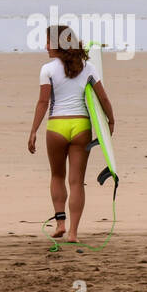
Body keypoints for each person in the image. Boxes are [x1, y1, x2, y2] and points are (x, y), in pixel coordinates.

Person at [27, 24, 115, 243]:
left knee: (57, 176)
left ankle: (60, 224)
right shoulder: (87, 68)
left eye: (48, 41)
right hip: (81, 128)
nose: (45, 45)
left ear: (57, 44)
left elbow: (43, 102)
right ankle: (73, 233)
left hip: (56, 127)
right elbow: (103, 98)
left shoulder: (47, 69)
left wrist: (33, 130)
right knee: (76, 182)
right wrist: (110, 120)